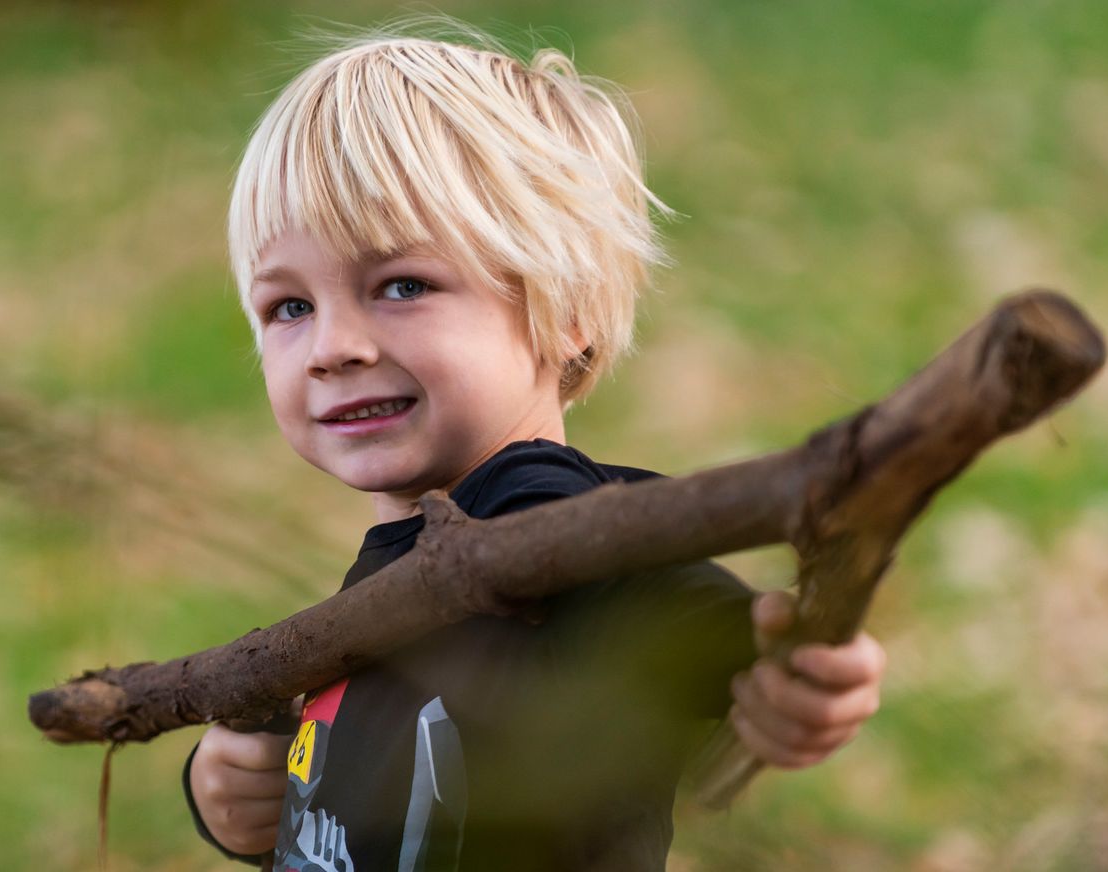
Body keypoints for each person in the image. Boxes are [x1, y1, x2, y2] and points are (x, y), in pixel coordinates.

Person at [181, 22, 887, 871]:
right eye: (289, 307)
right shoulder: (392, 568)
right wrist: (232, 793)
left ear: (565, 306)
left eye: (401, 285)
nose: (333, 345)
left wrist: (774, 664)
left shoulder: (545, 527)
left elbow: (665, 602)